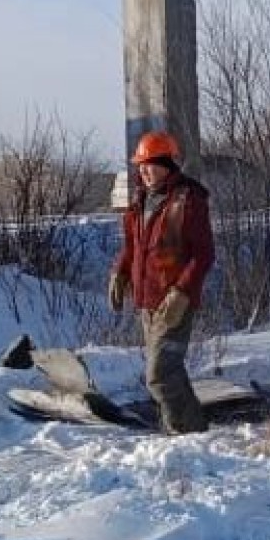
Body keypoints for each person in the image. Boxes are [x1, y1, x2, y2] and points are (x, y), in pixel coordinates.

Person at [108, 130, 215, 434]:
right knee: (170, 370)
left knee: (158, 375)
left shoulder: (188, 199)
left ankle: (182, 434)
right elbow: (132, 246)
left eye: (151, 164)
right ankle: (193, 431)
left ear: (167, 164)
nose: (144, 170)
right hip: (148, 301)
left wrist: (182, 293)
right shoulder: (140, 199)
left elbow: (204, 254)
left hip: (175, 304)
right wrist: (120, 271)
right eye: (141, 165)